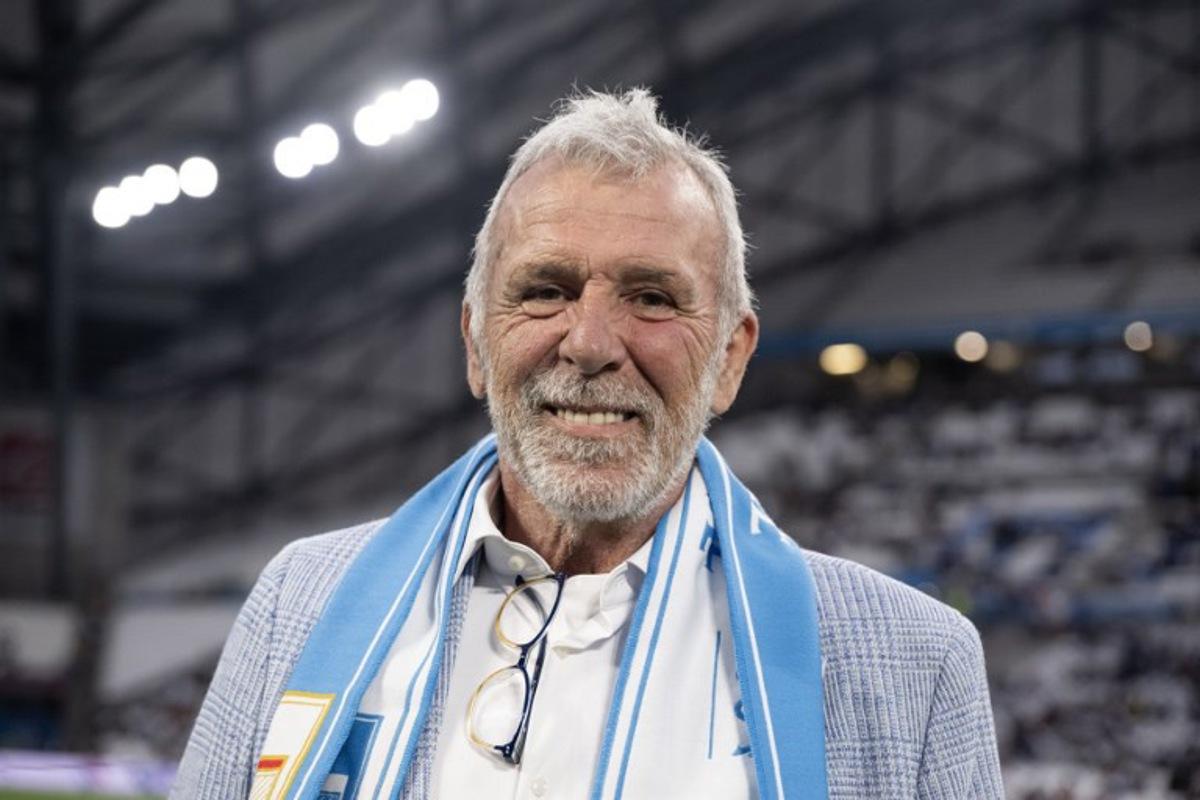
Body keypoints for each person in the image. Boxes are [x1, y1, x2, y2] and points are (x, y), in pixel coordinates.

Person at [172, 89, 1003, 800]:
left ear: (730, 359)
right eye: (545, 290)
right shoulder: (300, 603)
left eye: (650, 297)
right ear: (474, 343)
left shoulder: (913, 666)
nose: (590, 342)